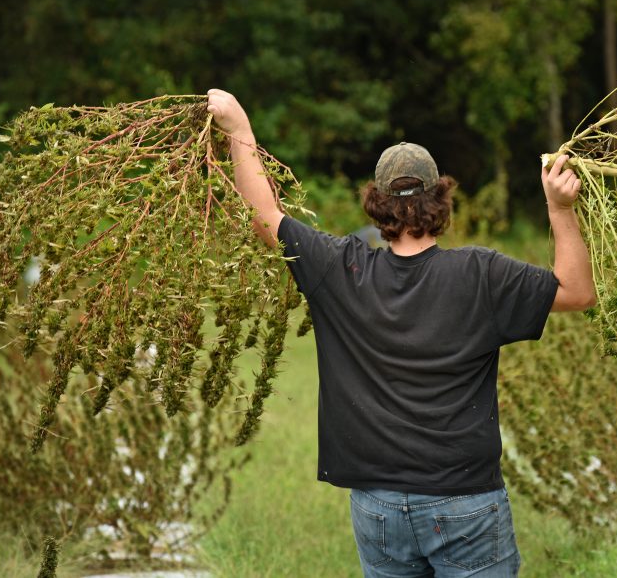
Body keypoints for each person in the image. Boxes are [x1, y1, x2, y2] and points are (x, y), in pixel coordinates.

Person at [207, 89, 596, 577]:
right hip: (466, 502)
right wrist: (560, 209)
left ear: (376, 204)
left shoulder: (340, 268)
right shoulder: (481, 274)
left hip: (378, 507)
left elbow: (265, 215)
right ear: (440, 199)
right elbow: (578, 292)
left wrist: (240, 129)